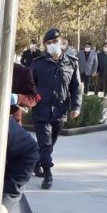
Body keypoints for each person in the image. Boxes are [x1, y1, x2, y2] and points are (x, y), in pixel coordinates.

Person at [31, 28, 82, 190]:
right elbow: (30, 86)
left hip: (60, 110)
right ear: (45, 45)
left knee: (50, 144)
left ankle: (37, 163)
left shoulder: (72, 63)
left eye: (55, 41)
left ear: (61, 42)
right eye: (49, 43)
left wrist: (76, 106)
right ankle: (48, 174)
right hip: (41, 110)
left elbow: (76, 87)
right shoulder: (37, 64)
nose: (52, 44)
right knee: (45, 144)